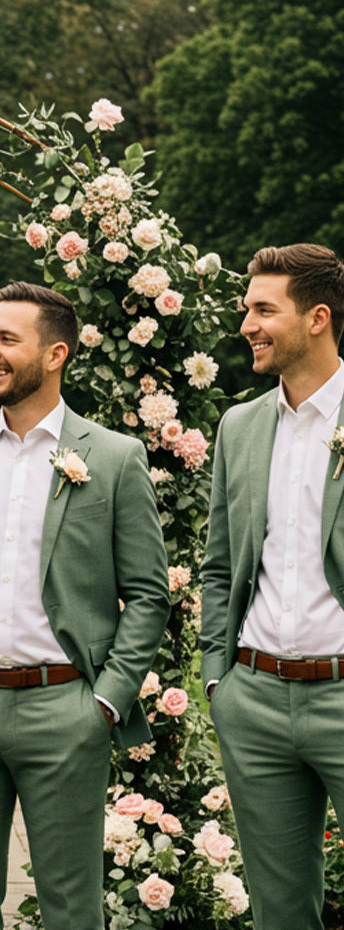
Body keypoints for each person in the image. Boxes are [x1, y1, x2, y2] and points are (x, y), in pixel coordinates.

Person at [0, 281, 170, 930]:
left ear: (55, 356)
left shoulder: (114, 457)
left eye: (6, 340)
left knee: (71, 906)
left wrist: (105, 700)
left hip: (63, 710)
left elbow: (150, 593)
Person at [201, 243, 344, 929]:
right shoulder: (239, 425)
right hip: (253, 701)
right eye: (245, 310)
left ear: (317, 317)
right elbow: (219, 565)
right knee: (281, 913)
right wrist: (217, 679)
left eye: (263, 310)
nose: (246, 325)